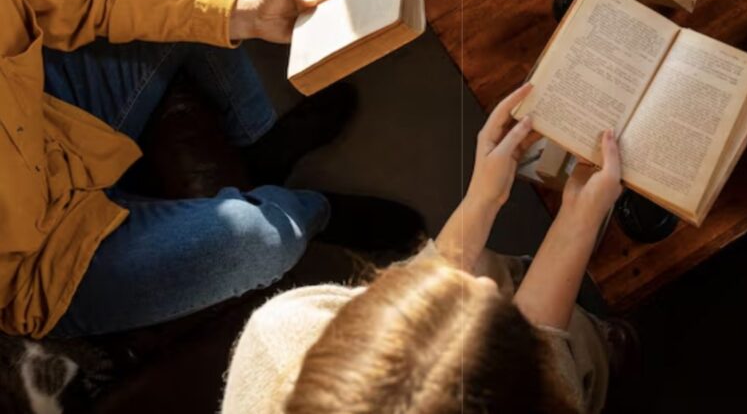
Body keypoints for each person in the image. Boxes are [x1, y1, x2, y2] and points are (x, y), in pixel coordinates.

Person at [0, 0, 403, 340]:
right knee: (263, 241)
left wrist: (245, 12)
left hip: (54, 120)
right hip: (36, 263)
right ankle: (318, 213)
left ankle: (259, 148)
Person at [223, 85, 626, 413]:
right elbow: (544, 363)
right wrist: (577, 221)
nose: (484, 289)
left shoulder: (279, 333)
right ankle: (607, 346)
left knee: (481, 265)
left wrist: (483, 199)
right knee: (579, 346)